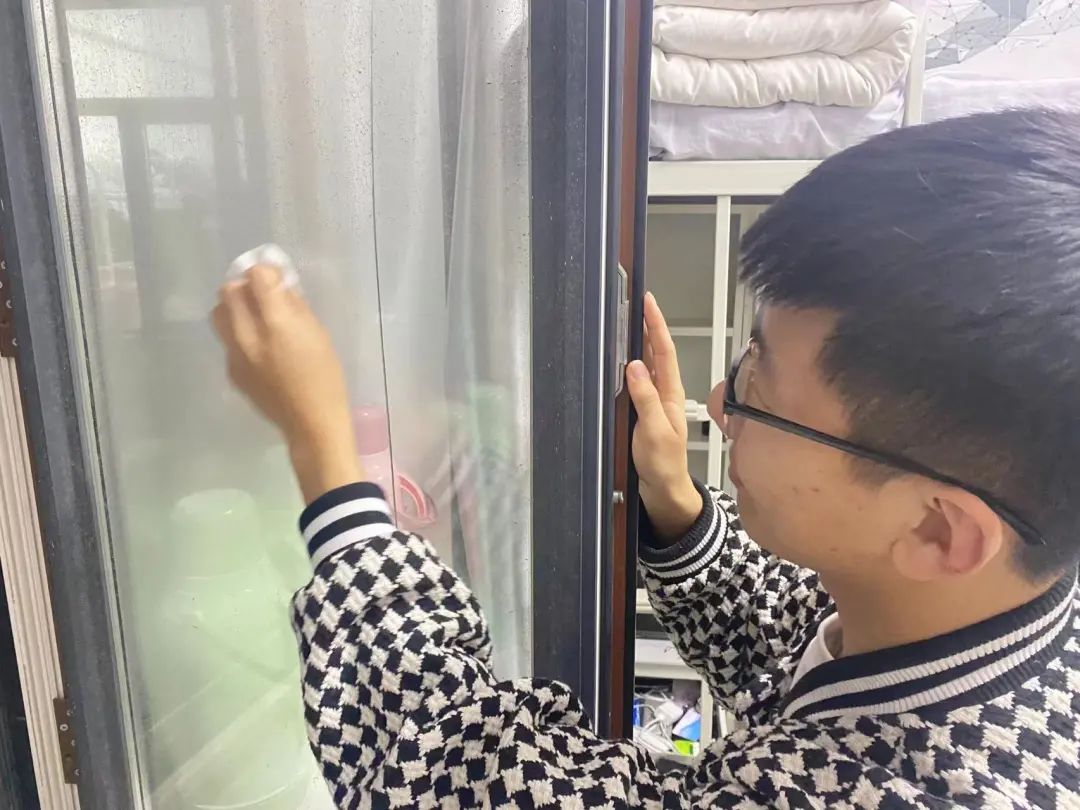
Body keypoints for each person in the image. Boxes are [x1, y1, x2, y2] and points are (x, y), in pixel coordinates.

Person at [212, 108, 1080, 808]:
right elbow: (786, 641)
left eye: (761, 391)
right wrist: (675, 498)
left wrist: (325, 453)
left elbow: (443, 765)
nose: (719, 403)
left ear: (938, 531)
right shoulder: (986, 610)